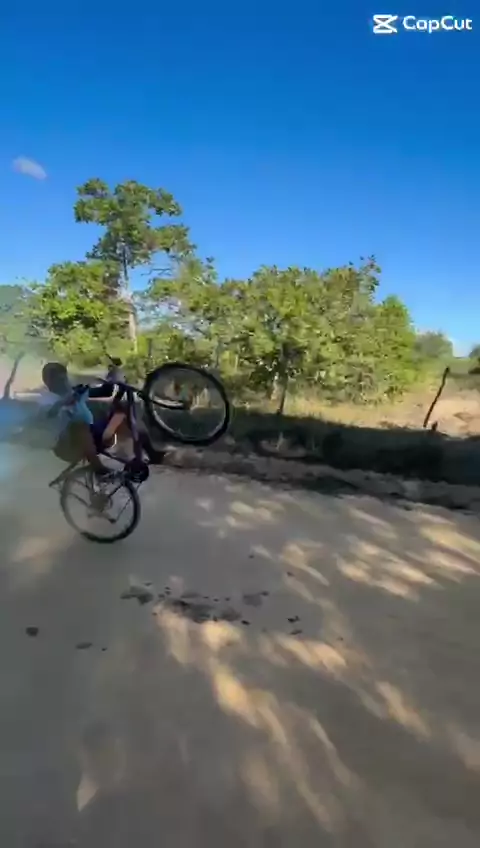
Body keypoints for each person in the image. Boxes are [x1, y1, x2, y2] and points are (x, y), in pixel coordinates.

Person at [39, 362, 165, 475]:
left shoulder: (76, 392)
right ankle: (99, 469)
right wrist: (62, 403)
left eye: (64, 379)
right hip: (68, 446)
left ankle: (150, 454)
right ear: (48, 383)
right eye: (58, 380)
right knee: (79, 426)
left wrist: (114, 377)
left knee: (123, 409)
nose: (63, 383)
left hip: (94, 436)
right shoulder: (46, 399)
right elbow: (47, 416)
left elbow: (106, 391)